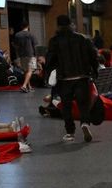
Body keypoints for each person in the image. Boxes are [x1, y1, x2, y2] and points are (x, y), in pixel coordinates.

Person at [43, 14, 99, 143]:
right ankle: (85, 123)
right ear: (71, 24)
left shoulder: (55, 41)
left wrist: (48, 75)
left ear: (58, 25)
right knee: (83, 104)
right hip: (82, 76)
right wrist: (94, 71)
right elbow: (93, 56)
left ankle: (70, 132)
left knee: (66, 106)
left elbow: (50, 60)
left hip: (65, 78)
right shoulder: (83, 39)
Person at [12, 23, 39, 92]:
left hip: (22, 55)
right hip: (30, 54)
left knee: (26, 71)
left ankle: (29, 86)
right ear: (28, 26)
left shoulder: (17, 35)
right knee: (30, 71)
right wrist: (36, 55)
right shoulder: (31, 34)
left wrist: (17, 55)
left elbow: (15, 46)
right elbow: (35, 46)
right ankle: (24, 86)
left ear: (21, 26)